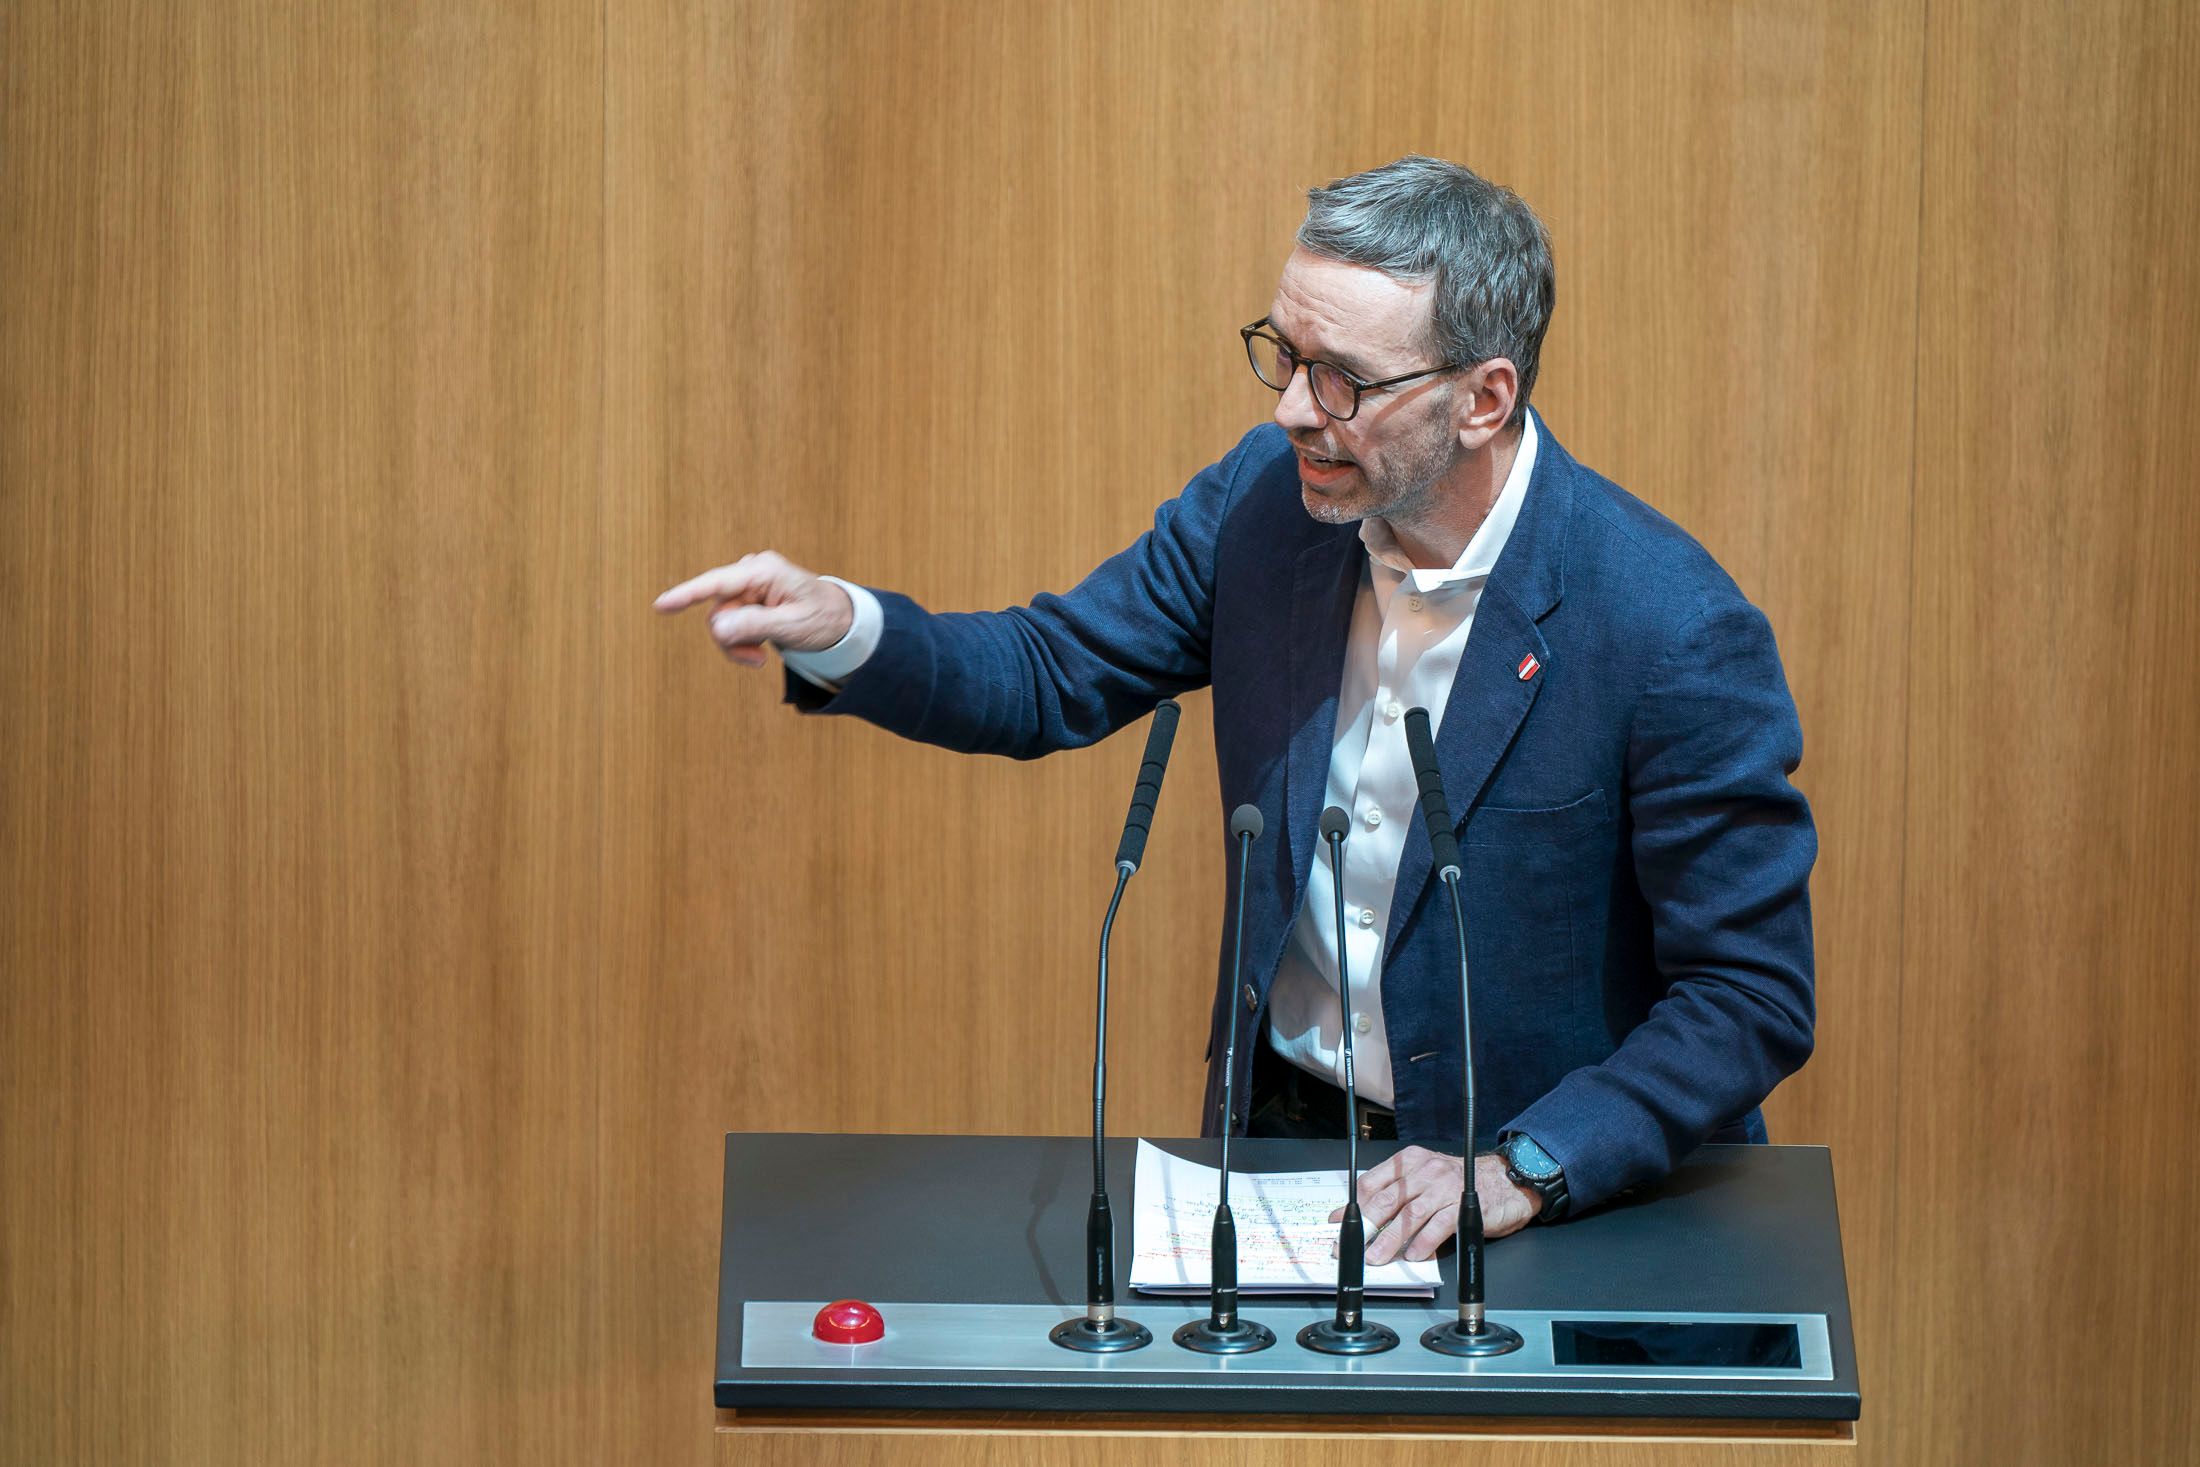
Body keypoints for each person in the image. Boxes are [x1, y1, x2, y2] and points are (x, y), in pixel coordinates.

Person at [656, 156, 1815, 1266]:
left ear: (1483, 397)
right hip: (1275, 1149)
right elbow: (1052, 667)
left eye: (1344, 380)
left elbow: (1746, 995)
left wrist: (1528, 1167)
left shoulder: (1668, 626)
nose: (1293, 414)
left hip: (1543, 1192)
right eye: (1284, 354)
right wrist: (847, 626)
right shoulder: (1265, 511)